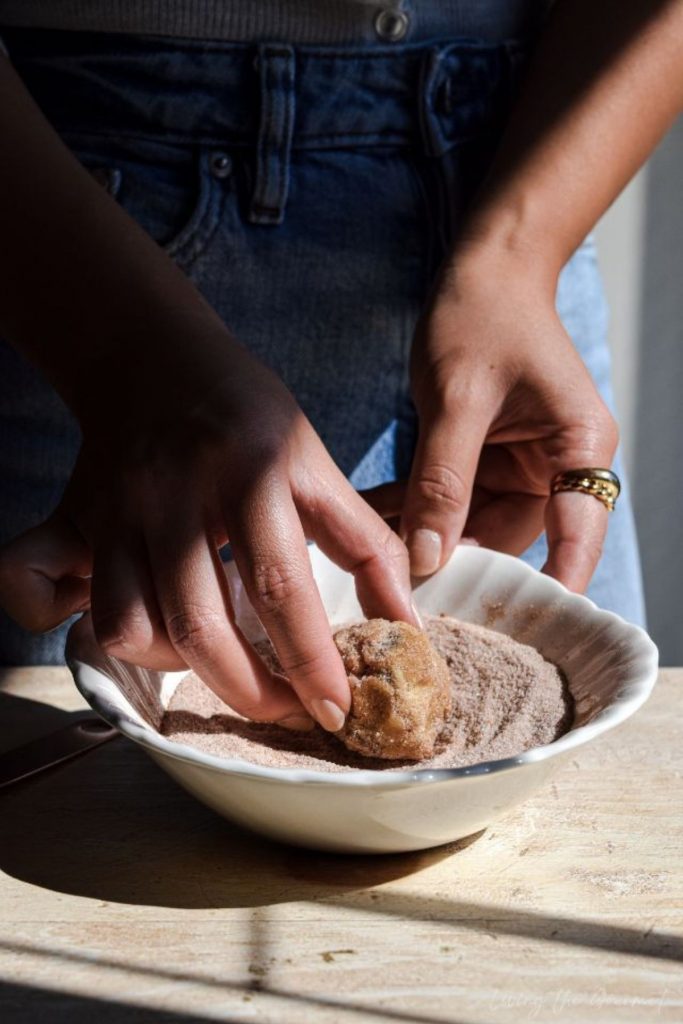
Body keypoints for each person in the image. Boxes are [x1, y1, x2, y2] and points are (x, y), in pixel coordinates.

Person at [0, 2, 679, 732]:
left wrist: (519, 253)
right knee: (91, 790)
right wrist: (125, 352)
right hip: (82, 222)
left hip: (536, 165)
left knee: (589, 780)